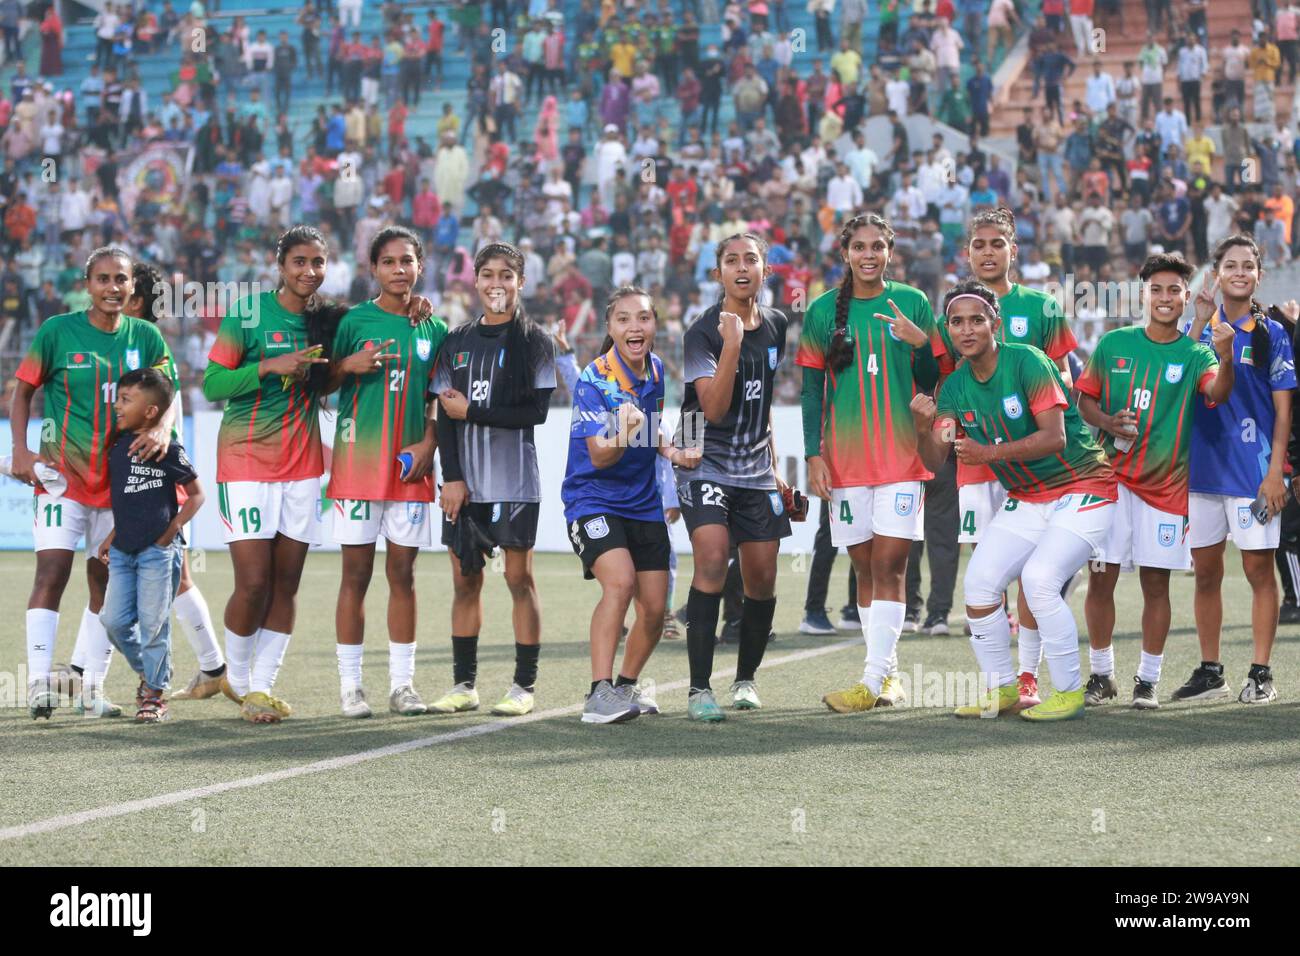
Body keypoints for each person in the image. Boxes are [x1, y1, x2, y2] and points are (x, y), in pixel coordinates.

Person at [914, 280, 1117, 722]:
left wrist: (988, 454)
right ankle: (1003, 689)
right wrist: (920, 425)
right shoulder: (952, 389)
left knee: (1040, 581)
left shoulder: (1027, 360)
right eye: (956, 322)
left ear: (995, 324)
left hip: (1085, 486)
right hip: (1027, 497)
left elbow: (1054, 437)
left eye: (976, 320)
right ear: (947, 329)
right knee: (979, 586)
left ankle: (1068, 692)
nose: (966, 330)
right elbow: (936, 456)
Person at [11, 247, 177, 720]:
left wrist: (161, 428)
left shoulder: (145, 335)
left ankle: (90, 687)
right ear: (87, 284)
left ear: (131, 286)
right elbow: (23, 391)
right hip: (63, 480)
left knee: (105, 584)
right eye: (103, 279)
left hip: (120, 486)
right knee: (52, 573)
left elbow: (167, 392)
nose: (113, 288)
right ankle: (41, 683)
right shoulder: (57, 331)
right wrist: (21, 451)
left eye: (121, 279)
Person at [798, 214, 945, 714]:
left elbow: (932, 378)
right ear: (845, 253)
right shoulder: (821, 311)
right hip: (845, 461)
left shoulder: (914, 303)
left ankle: (869, 681)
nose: (868, 254)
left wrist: (920, 344)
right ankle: (890, 674)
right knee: (863, 567)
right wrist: (814, 454)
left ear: (890, 251)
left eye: (878, 246)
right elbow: (811, 390)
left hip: (903, 458)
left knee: (890, 565)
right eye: (859, 246)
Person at [1078, 253, 1235, 709]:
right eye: (1157, 290)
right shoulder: (1113, 344)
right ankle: (1102, 674)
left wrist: (1225, 358)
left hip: (1165, 492)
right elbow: (1084, 400)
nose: (1165, 298)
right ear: (1143, 293)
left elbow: (1218, 393)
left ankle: (1147, 681)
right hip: (1110, 483)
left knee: (1155, 585)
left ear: (1187, 298)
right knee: (1100, 578)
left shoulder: (1196, 353)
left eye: (1174, 291)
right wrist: (1108, 419)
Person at [202, 226, 336, 723]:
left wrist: (417, 308)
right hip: (246, 461)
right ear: (280, 265)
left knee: (287, 582)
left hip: (302, 466)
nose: (309, 272)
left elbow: (373, 323)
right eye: (299, 262)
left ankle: (260, 687)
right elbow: (214, 382)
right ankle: (235, 680)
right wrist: (269, 366)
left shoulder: (328, 320)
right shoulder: (249, 312)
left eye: (318, 263)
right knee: (254, 582)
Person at [953, 207, 1078, 707]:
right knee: (986, 568)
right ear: (968, 253)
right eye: (979, 245)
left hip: (1036, 463)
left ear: (1013, 250)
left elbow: (1067, 377)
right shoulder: (957, 310)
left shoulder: (1044, 308)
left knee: (1033, 568)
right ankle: (997, 679)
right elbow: (948, 383)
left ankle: (1027, 673)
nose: (987, 252)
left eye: (996, 244)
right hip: (978, 459)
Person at [563, 286, 702, 723]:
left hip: (642, 505)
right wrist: (624, 431)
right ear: (610, 328)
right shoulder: (594, 379)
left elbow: (652, 429)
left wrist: (674, 453)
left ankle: (625, 688)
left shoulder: (657, 371)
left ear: (655, 324)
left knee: (656, 609)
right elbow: (601, 455)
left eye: (642, 318)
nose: (634, 327)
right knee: (619, 583)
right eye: (623, 319)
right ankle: (597, 694)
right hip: (592, 500)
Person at [430, 242, 557, 717]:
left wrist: (473, 411)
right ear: (476, 281)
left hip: (515, 482)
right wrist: (452, 478)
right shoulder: (456, 340)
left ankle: (523, 688)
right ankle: (464, 685)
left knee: (520, 579)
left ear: (520, 282)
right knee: (466, 581)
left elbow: (536, 413)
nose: (496, 284)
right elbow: (444, 417)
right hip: (466, 486)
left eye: (507, 275)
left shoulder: (535, 341)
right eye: (488, 274)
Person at [328, 227, 448, 718]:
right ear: (373, 269)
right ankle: (351, 688)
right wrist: (346, 366)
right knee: (354, 576)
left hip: (410, 470)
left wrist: (430, 441)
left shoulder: (434, 329)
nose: (399, 269)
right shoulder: (352, 321)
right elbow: (321, 383)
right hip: (357, 467)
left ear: (420, 267)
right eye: (389, 262)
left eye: (408, 261)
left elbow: (443, 399)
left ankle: (403, 686)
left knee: (403, 575)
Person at [675, 234, 792, 721]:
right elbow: (715, 408)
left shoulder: (779, 324)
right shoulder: (702, 331)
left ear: (765, 270)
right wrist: (731, 347)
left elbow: (761, 404)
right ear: (718, 272)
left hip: (756, 469)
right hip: (705, 459)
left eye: (751, 259)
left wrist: (777, 470)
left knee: (761, 578)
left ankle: (745, 679)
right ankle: (699, 689)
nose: (741, 268)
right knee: (713, 560)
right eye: (731, 260)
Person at [1179, 235, 1295, 704]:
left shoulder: (1273, 333)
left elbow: (1284, 412)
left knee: (1258, 572)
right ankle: (1212, 672)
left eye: (1249, 265)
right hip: (1203, 471)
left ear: (1259, 276)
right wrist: (1200, 323)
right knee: (1206, 572)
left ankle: (1261, 673)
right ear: (1218, 273)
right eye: (1231, 265)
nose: (1241, 272)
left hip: (1253, 474)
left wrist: (1275, 473)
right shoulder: (1201, 328)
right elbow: (1177, 377)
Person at [127, 261, 228, 701]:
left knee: (130, 575)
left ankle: (85, 675)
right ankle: (213, 667)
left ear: (134, 300)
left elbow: (161, 418)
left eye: (122, 287)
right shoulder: (132, 348)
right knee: (175, 577)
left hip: (159, 480)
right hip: (146, 477)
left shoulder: (148, 351)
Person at [97, 368, 205, 723]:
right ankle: (152, 672)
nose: (117, 406)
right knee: (112, 621)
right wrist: (112, 537)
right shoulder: (116, 448)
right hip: (124, 552)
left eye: (126, 400)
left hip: (158, 553)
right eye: (118, 398)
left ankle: (154, 696)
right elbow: (127, 501)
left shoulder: (168, 448)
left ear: (150, 412)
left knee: (153, 624)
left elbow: (197, 496)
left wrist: (169, 533)